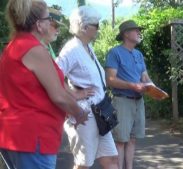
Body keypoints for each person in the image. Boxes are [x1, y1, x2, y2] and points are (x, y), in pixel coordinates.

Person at [0, 0, 88, 169]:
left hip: (15, 136)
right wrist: (79, 113)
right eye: (48, 19)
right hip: (34, 137)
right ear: (39, 24)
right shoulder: (34, 49)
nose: (51, 23)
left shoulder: (14, 46)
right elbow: (59, 96)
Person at [55, 6, 119, 169]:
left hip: (100, 110)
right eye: (96, 25)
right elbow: (54, 75)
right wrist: (75, 94)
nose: (99, 28)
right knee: (83, 164)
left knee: (111, 158)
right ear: (84, 27)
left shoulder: (87, 47)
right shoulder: (71, 49)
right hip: (85, 115)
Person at [105, 20, 152, 169]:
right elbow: (110, 80)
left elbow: (144, 76)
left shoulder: (138, 54)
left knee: (132, 139)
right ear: (126, 34)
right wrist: (132, 85)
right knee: (120, 141)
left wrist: (152, 87)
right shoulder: (115, 52)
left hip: (139, 101)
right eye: (135, 30)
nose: (139, 32)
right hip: (122, 101)